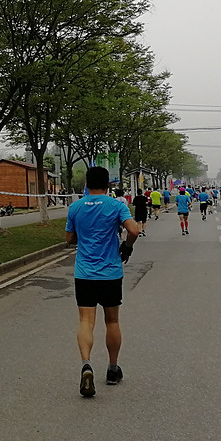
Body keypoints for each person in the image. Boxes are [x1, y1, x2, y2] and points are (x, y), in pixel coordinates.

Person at [65, 166, 140, 398]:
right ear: (109, 185)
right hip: (110, 273)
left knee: (86, 321)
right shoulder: (117, 205)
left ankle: (86, 364)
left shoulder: (75, 207)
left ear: (86, 184)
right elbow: (134, 230)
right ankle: (112, 369)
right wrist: (126, 247)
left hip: (84, 273)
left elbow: (69, 239)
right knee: (112, 321)